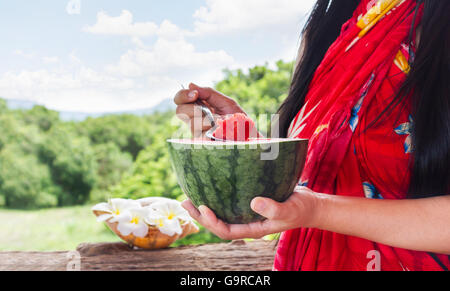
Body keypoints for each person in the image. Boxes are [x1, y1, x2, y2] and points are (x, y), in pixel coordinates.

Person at [174, 0, 450, 271]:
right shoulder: (329, 25)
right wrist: (240, 143)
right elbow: (316, 171)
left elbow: (315, 204)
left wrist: (318, 211)